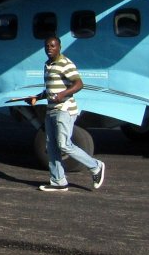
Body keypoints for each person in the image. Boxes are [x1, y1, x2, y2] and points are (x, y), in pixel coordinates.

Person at [25, 36, 105, 192]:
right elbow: (50, 90)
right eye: (47, 46)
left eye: (53, 46)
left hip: (65, 109)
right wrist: (37, 97)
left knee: (64, 144)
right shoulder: (47, 65)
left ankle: (95, 166)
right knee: (52, 146)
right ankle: (58, 181)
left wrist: (63, 94)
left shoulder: (65, 64)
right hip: (51, 110)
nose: (49, 48)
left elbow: (78, 84)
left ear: (59, 47)